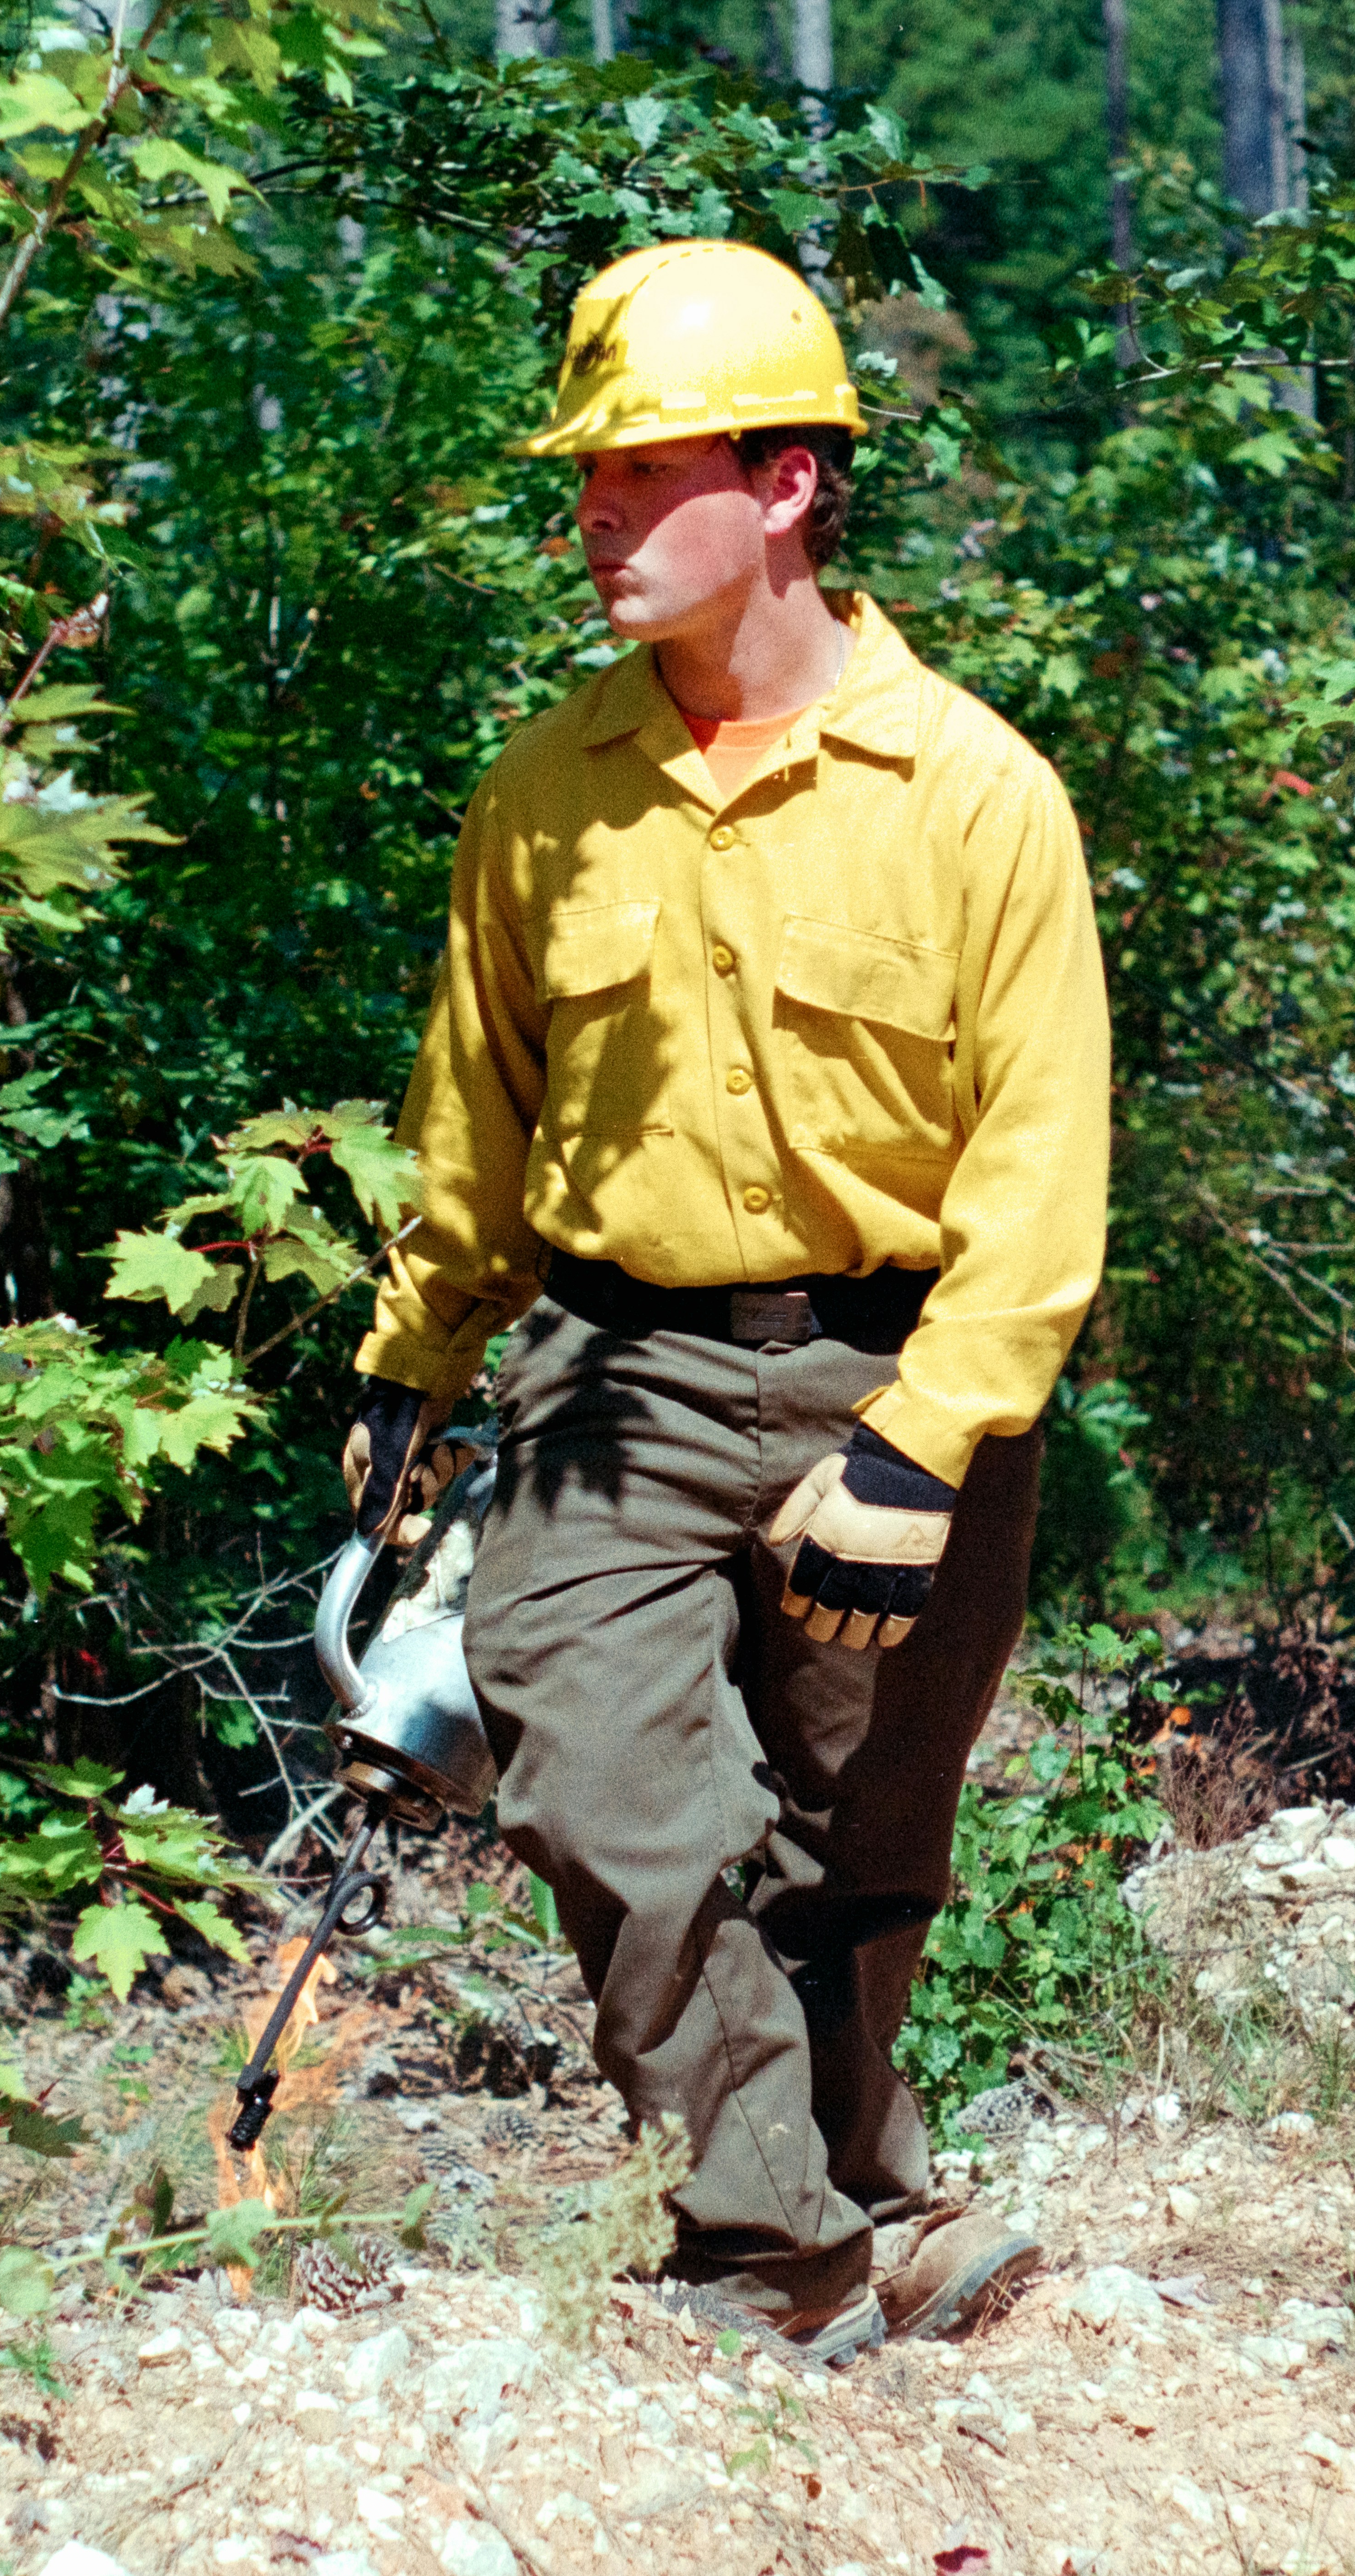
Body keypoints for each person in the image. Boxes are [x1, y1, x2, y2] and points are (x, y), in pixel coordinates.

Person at [338, 239, 1110, 2364]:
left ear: (784, 484)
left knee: (859, 1845)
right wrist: (413, 1357)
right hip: (619, 1373)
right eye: (581, 477)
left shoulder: (973, 795)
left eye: (635, 471)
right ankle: (770, 2248)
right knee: (606, 1781)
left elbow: (1042, 1176)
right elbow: (476, 1113)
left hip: (905, 1366)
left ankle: (867, 2202)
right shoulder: (545, 796)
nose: (591, 513)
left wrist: (926, 1438)